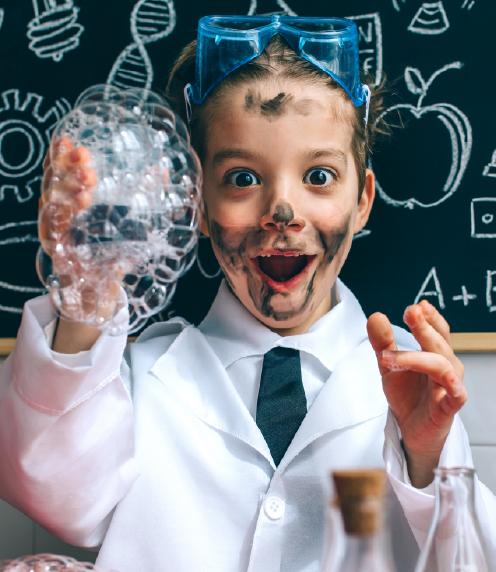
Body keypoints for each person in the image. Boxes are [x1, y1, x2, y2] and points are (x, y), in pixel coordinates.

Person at [0, 15, 495, 572]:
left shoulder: (414, 383)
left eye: (319, 177)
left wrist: (426, 457)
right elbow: (51, 496)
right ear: (199, 205)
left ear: (363, 200)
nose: (281, 213)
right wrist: (86, 288)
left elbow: (467, 561)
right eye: (241, 178)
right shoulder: (140, 379)